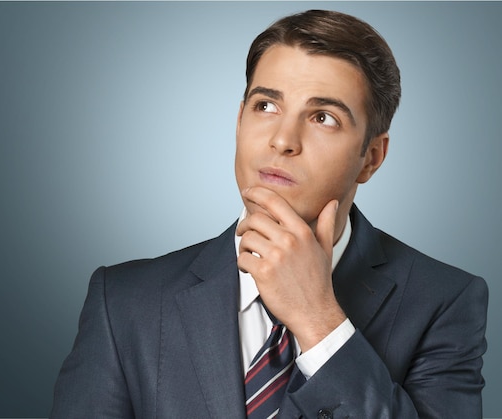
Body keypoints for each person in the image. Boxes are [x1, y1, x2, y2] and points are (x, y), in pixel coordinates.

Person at [51, 9, 488, 418]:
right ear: (239, 121)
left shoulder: (444, 302)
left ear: (371, 157)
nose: (283, 139)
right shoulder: (125, 301)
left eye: (323, 117)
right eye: (266, 106)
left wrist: (319, 320)